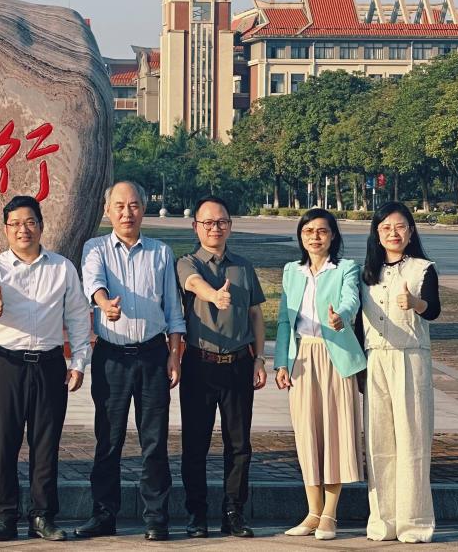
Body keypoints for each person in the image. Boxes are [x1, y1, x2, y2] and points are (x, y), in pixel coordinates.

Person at [0, 194, 91, 543]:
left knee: (46, 445)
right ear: (5, 229)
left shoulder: (62, 268)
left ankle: (42, 516)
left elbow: (77, 317)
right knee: (3, 444)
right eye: (15, 224)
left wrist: (79, 361)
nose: (22, 229)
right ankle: (4, 517)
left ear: (41, 226)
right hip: (4, 366)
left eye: (29, 222)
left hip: (49, 365)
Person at [78, 181, 184, 542]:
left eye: (134, 205)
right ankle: (103, 514)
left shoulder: (160, 252)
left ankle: (156, 517)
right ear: (107, 210)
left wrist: (174, 355)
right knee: (108, 440)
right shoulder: (95, 248)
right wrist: (104, 303)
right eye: (120, 206)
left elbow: (173, 310)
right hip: (112, 357)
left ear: (144, 208)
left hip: (153, 355)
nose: (127, 213)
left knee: (154, 441)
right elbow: (93, 281)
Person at [175, 196, 266, 538]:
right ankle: (196, 514)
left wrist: (259, 358)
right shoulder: (187, 263)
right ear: (195, 226)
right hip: (200, 365)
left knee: (239, 445)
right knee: (195, 444)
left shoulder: (243, 267)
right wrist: (214, 295)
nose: (215, 228)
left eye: (222, 222)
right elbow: (192, 284)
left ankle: (233, 512)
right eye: (208, 222)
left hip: (238, 365)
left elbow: (256, 314)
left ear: (230, 225)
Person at [274, 208, 365, 541]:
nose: (315, 237)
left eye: (322, 231)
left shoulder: (345, 268)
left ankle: (330, 514)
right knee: (307, 434)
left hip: (335, 357)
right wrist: (281, 363)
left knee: (335, 434)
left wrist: (340, 317)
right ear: (301, 235)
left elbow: (351, 300)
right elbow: (284, 320)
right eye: (308, 231)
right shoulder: (292, 271)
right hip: (302, 358)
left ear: (333, 236)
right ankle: (312, 512)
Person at [360, 202, 439, 543]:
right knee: (378, 441)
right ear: (377, 234)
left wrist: (415, 304)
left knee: (412, 440)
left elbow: (434, 310)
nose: (393, 233)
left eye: (400, 226)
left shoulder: (422, 269)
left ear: (410, 231)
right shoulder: (367, 273)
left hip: (410, 358)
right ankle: (383, 521)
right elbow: (356, 320)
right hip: (376, 358)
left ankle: (414, 522)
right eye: (386, 227)